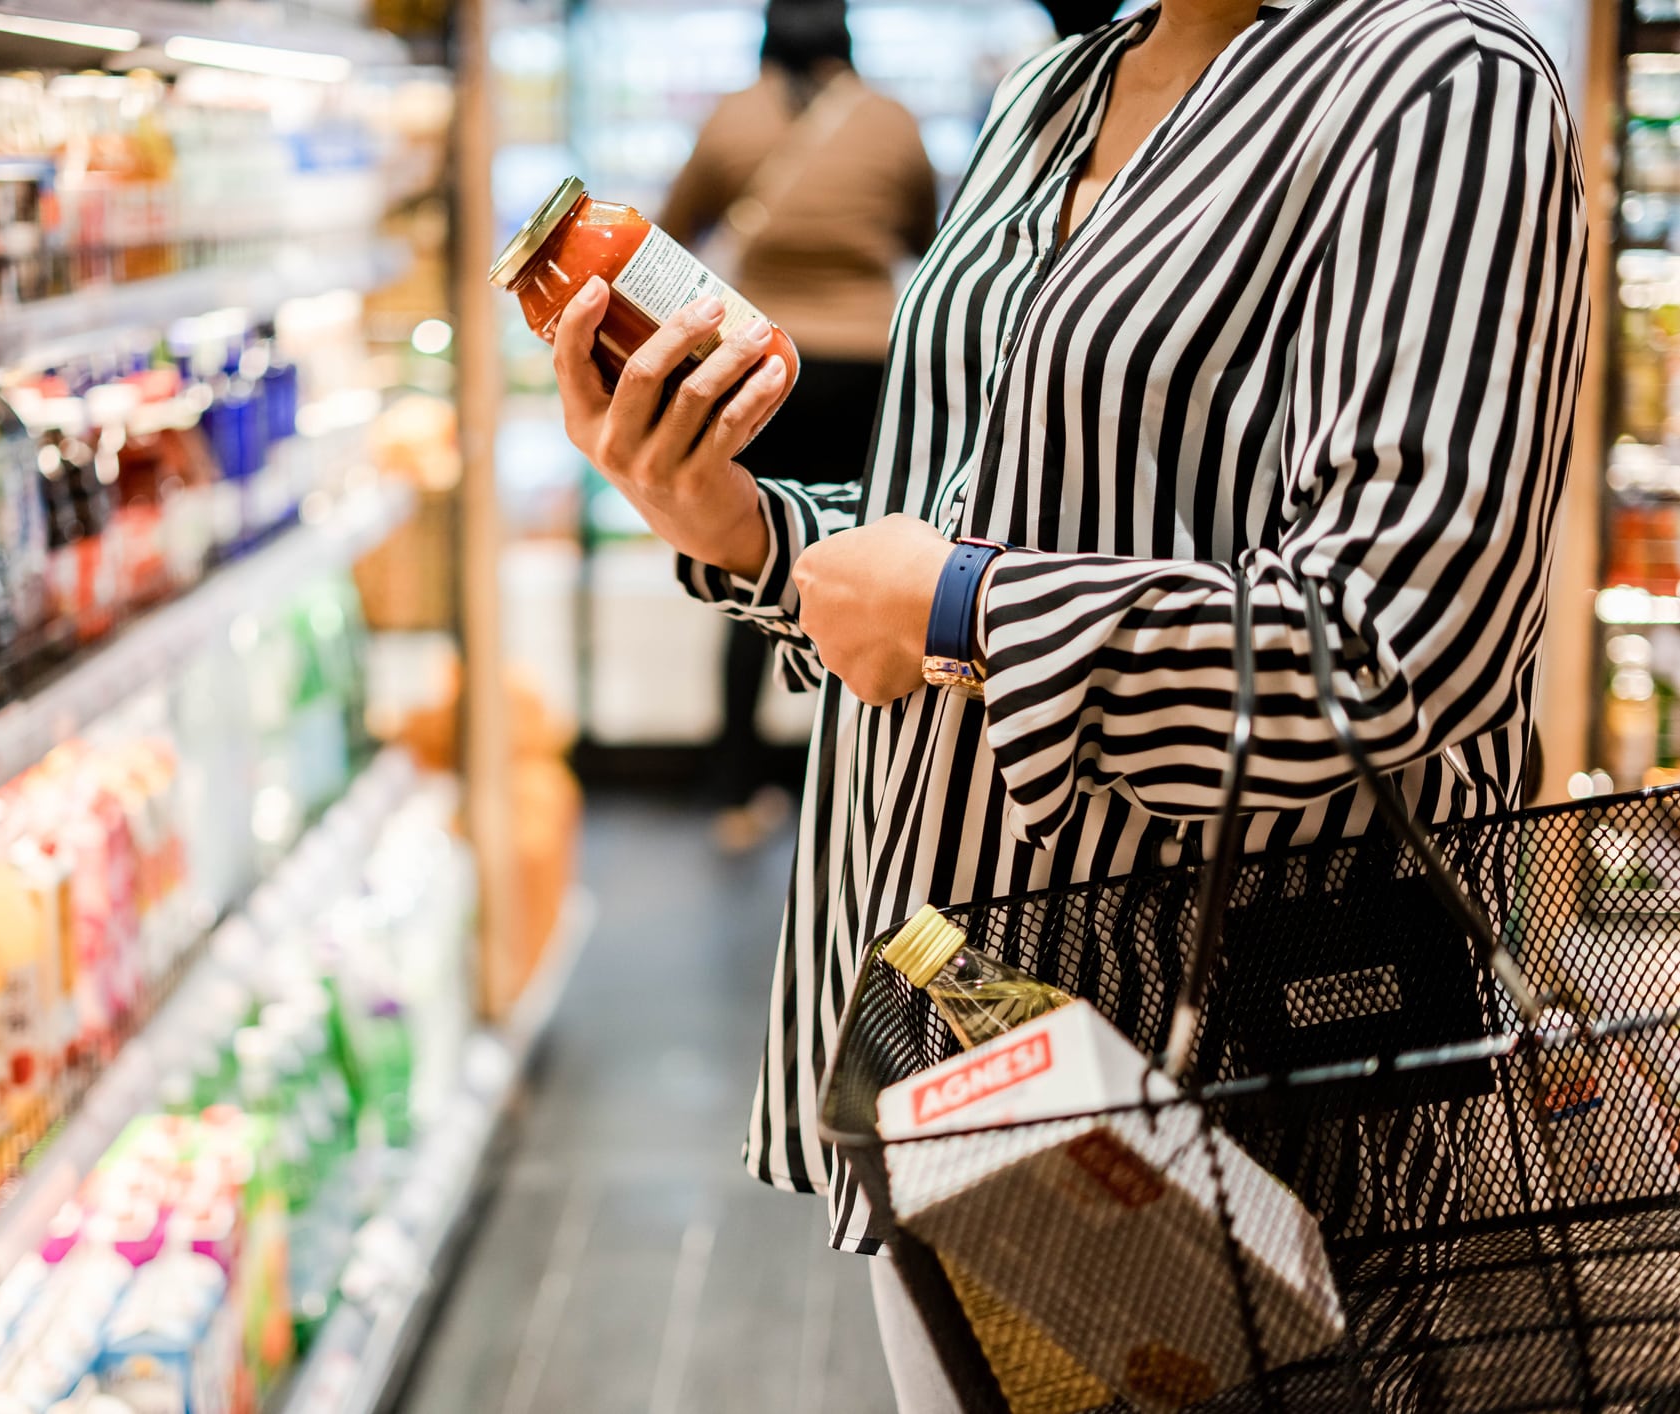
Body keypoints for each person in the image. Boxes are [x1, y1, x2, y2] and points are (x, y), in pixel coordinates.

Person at [549, 0, 1586, 1405]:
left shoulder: (1438, 78)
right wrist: (738, 526)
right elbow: (968, 518)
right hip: (952, 1031)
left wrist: (966, 610)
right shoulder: (1057, 86)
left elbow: (1393, 643)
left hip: (1216, 1073)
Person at [655, 0, 937, 851]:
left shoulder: (730, 118)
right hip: (868, 370)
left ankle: (736, 793)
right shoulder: (891, 122)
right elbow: (924, 233)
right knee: (859, 563)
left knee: (753, 562)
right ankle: (856, 793)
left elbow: (672, 239)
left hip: (757, 368)